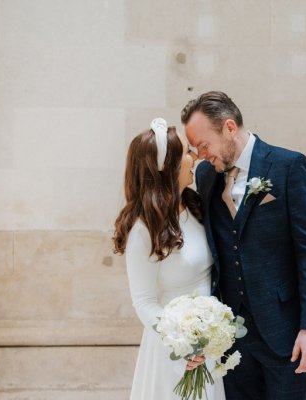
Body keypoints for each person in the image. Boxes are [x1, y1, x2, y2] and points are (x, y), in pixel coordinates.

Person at [181, 91, 306, 400]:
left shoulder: (288, 166)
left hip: (285, 332)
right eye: (195, 149)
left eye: (204, 145)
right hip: (230, 336)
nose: (200, 155)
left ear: (229, 127)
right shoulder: (206, 175)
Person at [113, 118, 225, 400]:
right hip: (174, 349)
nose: (195, 156)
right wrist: (185, 341)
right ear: (170, 168)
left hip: (207, 343)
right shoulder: (144, 228)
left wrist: (207, 337)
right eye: (187, 153)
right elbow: (144, 301)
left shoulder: (196, 206)